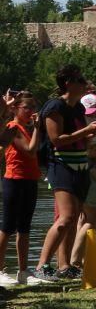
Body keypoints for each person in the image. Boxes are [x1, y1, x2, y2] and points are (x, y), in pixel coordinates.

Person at [34, 65, 96, 282]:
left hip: (80, 166)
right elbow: (57, 139)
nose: (85, 84)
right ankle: (42, 265)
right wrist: (87, 131)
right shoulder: (55, 106)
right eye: (80, 80)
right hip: (60, 166)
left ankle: (64, 267)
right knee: (65, 218)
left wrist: (94, 138)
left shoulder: (77, 109)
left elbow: (78, 139)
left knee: (74, 217)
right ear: (68, 83)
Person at [0, 91, 47, 285]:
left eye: (33, 108)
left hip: (29, 180)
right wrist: (37, 128)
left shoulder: (26, 128)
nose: (31, 111)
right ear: (14, 108)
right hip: (14, 180)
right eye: (26, 107)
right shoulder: (13, 127)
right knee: (8, 226)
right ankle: (1, 270)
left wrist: (36, 129)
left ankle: (23, 271)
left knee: (24, 227)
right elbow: (29, 150)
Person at [71, 93, 96, 272]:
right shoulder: (89, 127)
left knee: (83, 218)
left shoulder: (81, 124)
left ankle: (82, 260)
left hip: (85, 172)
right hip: (88, 173)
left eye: (94, 111)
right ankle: (75, 261)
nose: (92, 115)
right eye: (90, 111)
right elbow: (93, 152)